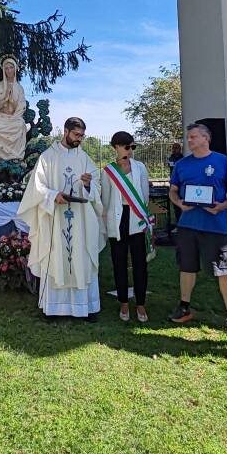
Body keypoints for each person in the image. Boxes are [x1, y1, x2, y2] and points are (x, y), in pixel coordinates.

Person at [18, 116, 104, 320]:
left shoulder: (84, 158)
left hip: (80, 219)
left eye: (82, 136)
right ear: (65, 132)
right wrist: (52, 195)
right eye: (76, 135)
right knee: (56, 258)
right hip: (55, 218)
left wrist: (88, 185)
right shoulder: (47, 157)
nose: (79, 139)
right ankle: (54, 308)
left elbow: (96, 185)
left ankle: (85, 307)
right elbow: (36, 188)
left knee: (81, 258)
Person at [168, 123, 227, 335]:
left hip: (216, 227)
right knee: (186, 267)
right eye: (188, 137)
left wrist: (222, 206)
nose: (189, 140)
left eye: (193, 137)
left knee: (224, 270)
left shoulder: (224, 162)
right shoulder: (182, 164)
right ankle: (184, 307)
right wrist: (180, 204)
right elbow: (173, 191)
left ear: (205, 138)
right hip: (187, 226)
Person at [100, 130, 153, 322]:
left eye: (132, 147)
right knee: (119, 262)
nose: (130, 150)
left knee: (140, 263)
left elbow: (145, 196)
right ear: (116, 147)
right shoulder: (108, 171)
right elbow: (105, 199)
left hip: (136, 219)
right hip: (117, 219)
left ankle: (140, 304)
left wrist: (141, 214)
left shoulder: (140, 167)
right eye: (126, 146)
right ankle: (123, 302)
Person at [0, 56, 29, 161]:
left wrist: (12, 103)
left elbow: (21, 106)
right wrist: (5, 98)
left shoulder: (19, 88)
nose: (9, 70)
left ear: (15, 69)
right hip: (1, 117)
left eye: (11, 67)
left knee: (20, 124)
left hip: (14, 118)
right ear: (3, 70)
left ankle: (16, 156)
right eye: (6, 68)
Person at [166, 142, 184, 231]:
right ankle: (178, 225)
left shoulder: (183, 159)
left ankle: (184, 225)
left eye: (177, 148)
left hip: (182, 185)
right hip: (173, 184)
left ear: (180, 149)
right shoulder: (170, 158)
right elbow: (170, 166)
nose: (175, 149)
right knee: (175, 205)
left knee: (183, 204)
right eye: (173, 148)